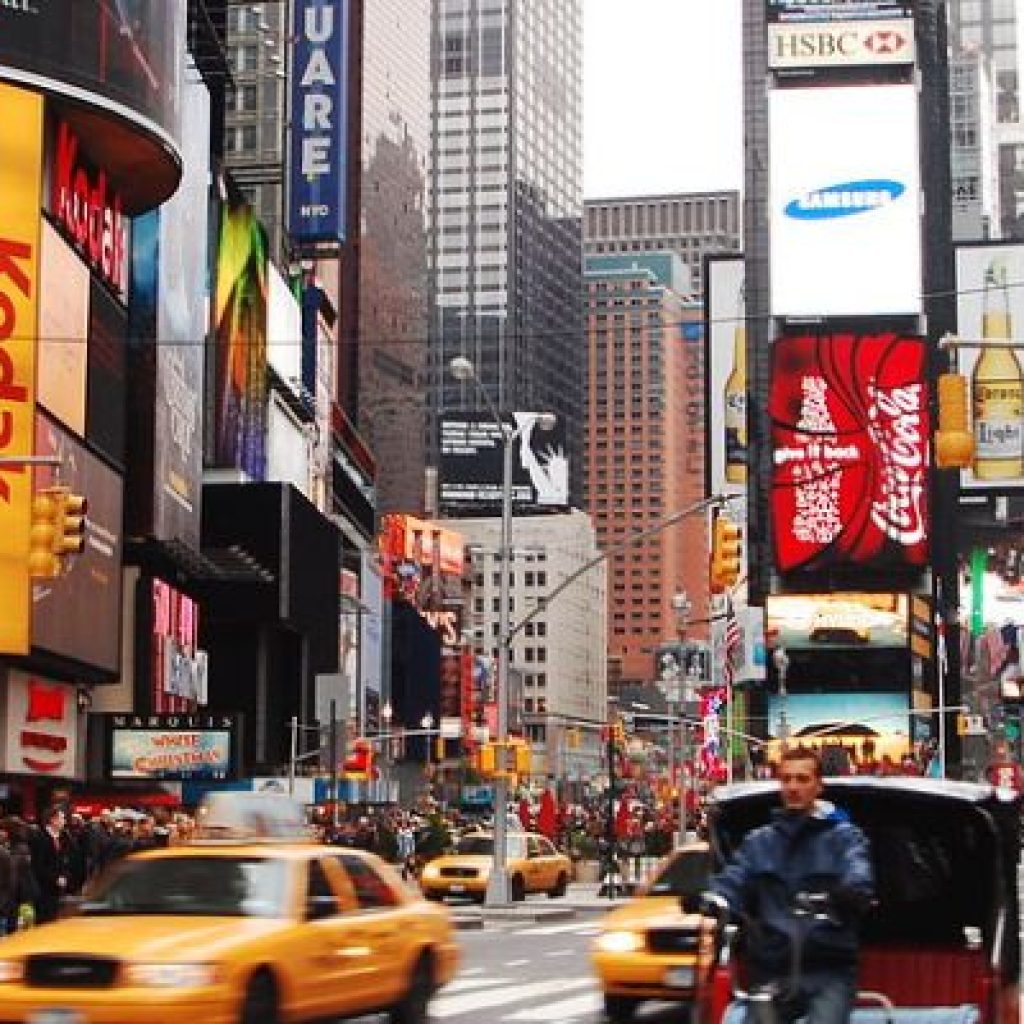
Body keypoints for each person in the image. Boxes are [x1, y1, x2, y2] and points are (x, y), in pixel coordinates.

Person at [707, 747, 874, 1024]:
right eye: (786, 779)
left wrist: (847, 894)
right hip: (773, 970)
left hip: (828, 970)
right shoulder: (758, 843)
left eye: (802, 779)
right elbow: (734, 880)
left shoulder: (844, 839)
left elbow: (859, 874)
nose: (793, 787)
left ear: (819, 786)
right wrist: (711, 898)